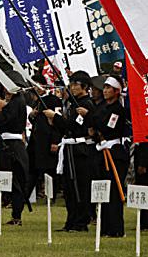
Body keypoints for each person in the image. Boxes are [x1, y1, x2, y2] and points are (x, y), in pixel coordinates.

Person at [44, 70, 95, 233]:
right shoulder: (73, 103)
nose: (72, 87)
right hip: (69, 147)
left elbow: (74, 126)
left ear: (85, 87)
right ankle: (71, 220)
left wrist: (56, 117)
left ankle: (81, 221)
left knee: (79, 185)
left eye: (76, 84)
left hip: (79, 149)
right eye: (71, 84)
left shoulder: (86, 104)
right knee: (69, 187)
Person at [0, 70, 30, 226]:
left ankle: (16, 214)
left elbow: (3, 119)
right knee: (12, 181)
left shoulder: (17, 101)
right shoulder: (15, 101)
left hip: (13, 145)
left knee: (16, 181)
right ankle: (14, 211)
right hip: (9, 143)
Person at [91, 75, 129, 237]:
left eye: (108, 88)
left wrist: (97, 128)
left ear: (116, 91)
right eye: (104, 88)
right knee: (103, 190)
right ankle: (104, 226)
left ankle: (116, 228)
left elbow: (109, 128)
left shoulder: (118, 110)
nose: (105, 91)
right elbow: (92, 125)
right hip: (101, 150)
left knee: (114, 191)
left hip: (114, 152)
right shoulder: (101, 107)